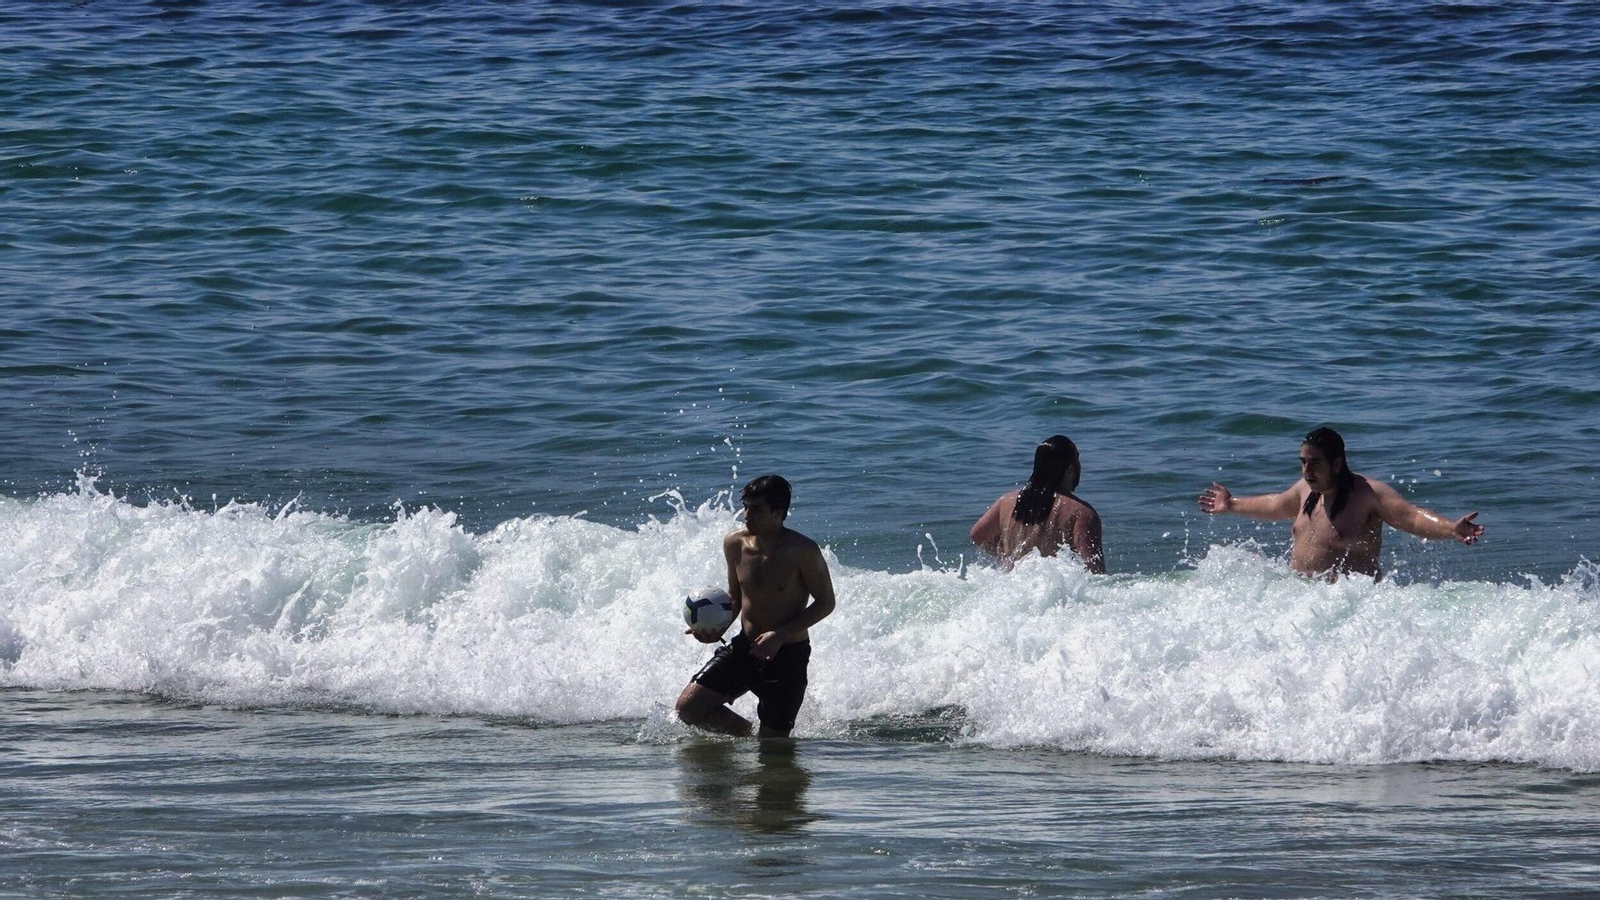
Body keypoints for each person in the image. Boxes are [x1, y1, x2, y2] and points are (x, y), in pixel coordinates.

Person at [1197, 425, 1483, 579]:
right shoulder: (1305, 491)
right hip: (1300, 604)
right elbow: (1276, 506)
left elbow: (1411, 517)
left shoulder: (1368, 494)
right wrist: (1231, 504)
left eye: (1315, 464)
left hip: (1349, 610)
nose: (1307, 471)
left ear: (1336, 463)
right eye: (1303, 463)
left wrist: (1450, 528)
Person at [676, 475, 837, 738]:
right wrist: (717, 629)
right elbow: (736, 598)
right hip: (744, 649)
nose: (746, 514)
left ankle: (762, 741)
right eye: (745, 506)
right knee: (688, 708)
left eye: (756, 509)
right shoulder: (734, 543)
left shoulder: (803, 550)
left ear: (778, 513)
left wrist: (779, 635)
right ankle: (746, 734)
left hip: (787, 657)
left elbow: (826, 603)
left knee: (773, 748)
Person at [970, 435, 1105, 573]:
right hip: (1052, 590)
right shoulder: (1081, 512)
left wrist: (1006, 554)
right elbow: (1094, 571)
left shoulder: (1006, 501)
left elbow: (977, 535)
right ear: (1071, 469)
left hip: (1010, 586)